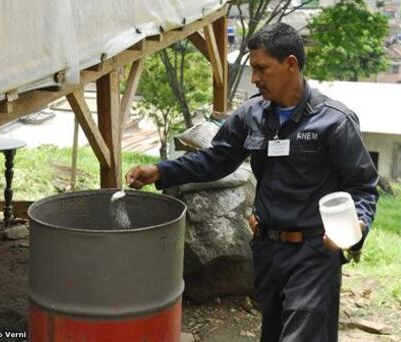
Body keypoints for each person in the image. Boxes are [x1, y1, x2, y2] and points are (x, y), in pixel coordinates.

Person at [126, 22, 379, 342]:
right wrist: (162, 172)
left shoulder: (334, 121)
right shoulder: (251, 116)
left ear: (290, 64)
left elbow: (363, 185)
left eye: (261, 68)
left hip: (314, 253)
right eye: (253, 68)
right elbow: (216, 159)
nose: (255, 78)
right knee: (272, 334)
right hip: (267, 251)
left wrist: (356, 230)